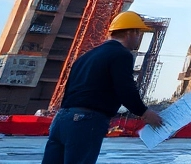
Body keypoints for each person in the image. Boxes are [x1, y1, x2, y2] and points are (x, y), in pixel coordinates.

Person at [41, 11, 164, 164]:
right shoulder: (121, 54)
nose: (139, 38)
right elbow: (125, 89)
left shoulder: (85, 57)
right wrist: (144, 112)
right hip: (86, 121)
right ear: (130, 33)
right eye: (139, 34)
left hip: (61, 120)